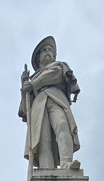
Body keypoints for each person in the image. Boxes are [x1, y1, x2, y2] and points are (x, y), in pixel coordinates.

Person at [19, 36, 81, 170]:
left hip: (56, 99)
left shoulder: (59, 66)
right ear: (38, 58)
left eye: (50, 50)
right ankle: (46, 168)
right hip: (38, 105)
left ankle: (67, 163)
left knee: (62, 124)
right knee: (43, 138)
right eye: (44, 50)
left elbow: (54, 75)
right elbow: (25, 109)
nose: (48, 52)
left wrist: (32, 84)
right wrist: (23, 89)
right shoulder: (32, 79)